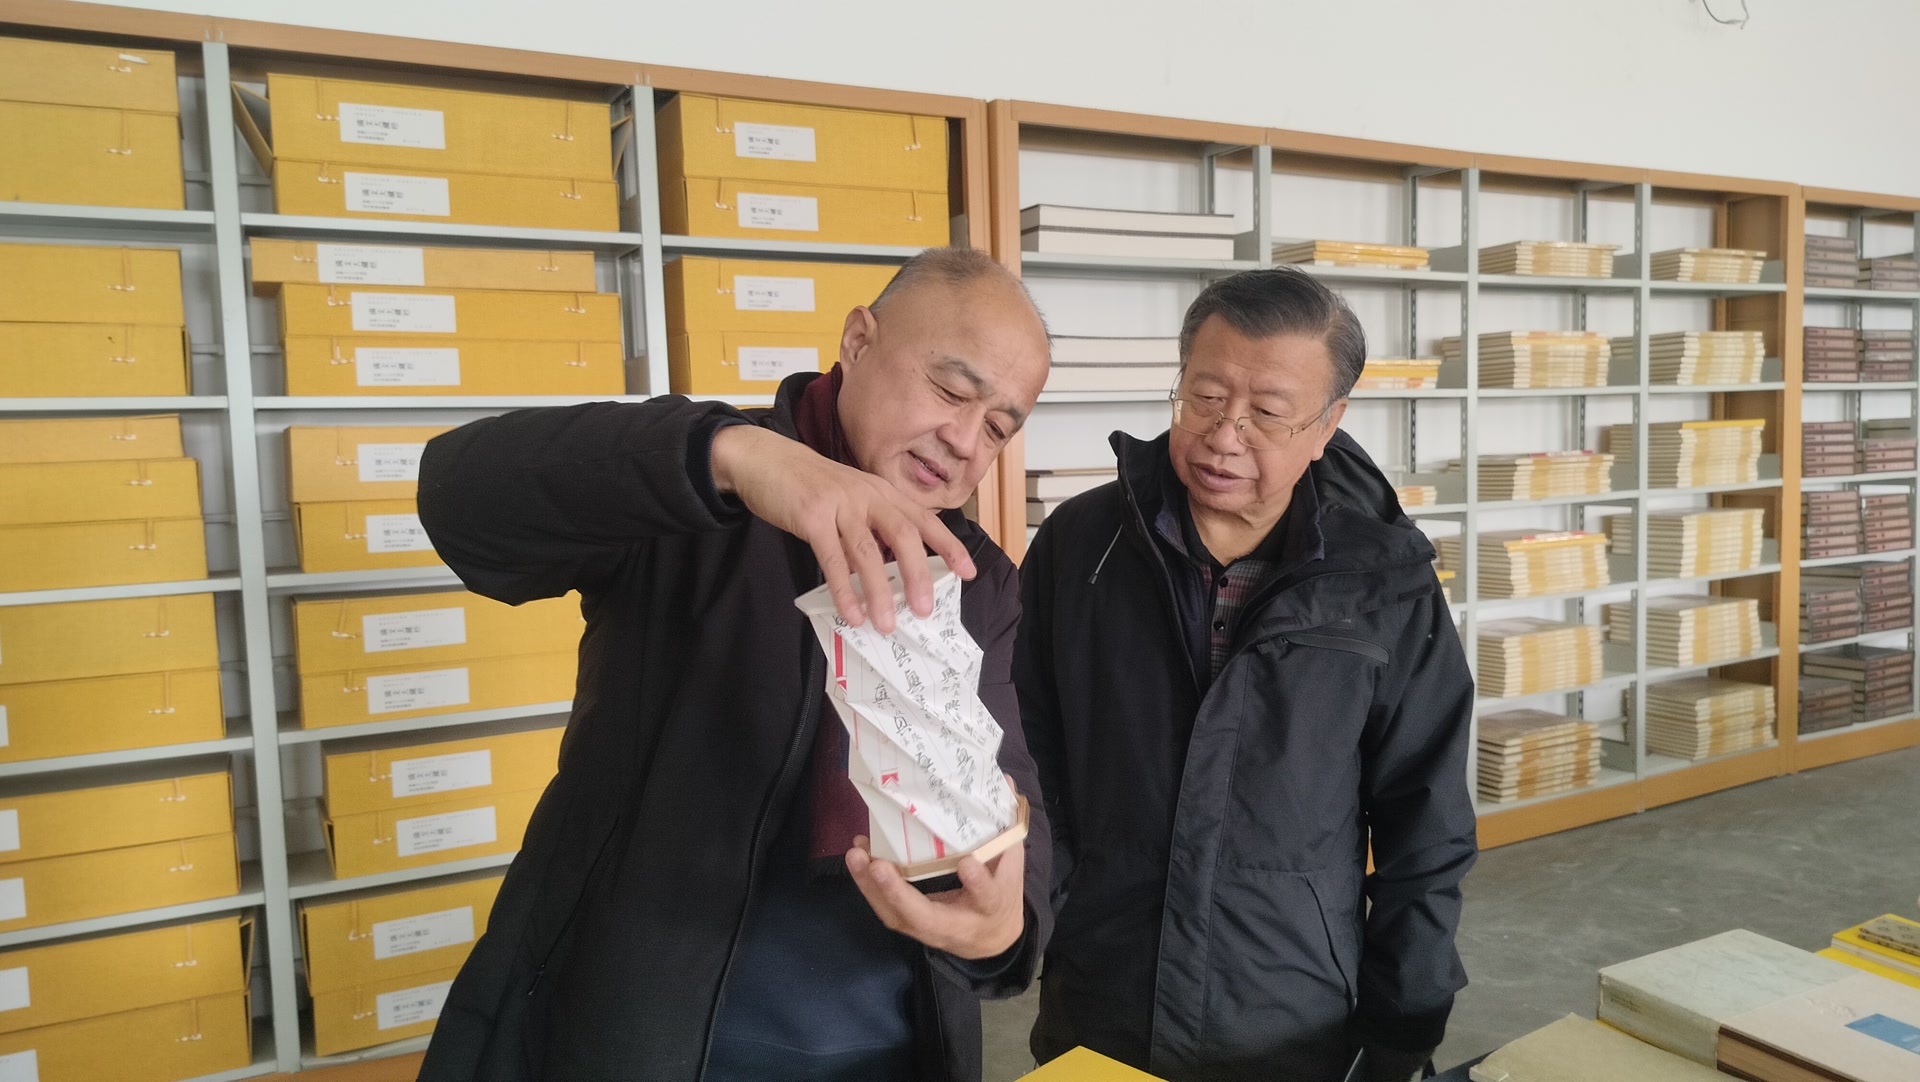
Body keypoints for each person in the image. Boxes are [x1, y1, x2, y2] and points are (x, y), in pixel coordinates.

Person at [413, 247, 1054, 1082]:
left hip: (889, 1034)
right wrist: (732, 456)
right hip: (638, 1022)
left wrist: (1008, 919)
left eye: (999, 427)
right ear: (859, 341)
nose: (965, 441)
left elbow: (1004, 779)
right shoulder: (697, 486)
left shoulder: (974, 576)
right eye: (950, 390)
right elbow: (460, 499)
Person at [1015, 267, 1477, 1082]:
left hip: (1288, 1011)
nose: (1225, 436)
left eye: (1266, 412)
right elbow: (1027, 753)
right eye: (1204, 397)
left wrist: (1405, 1021)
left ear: (1328, 423)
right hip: (1102, 994)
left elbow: (1427, 823)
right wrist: (1049, 915)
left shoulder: (1384, 582)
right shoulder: (1082, 547)